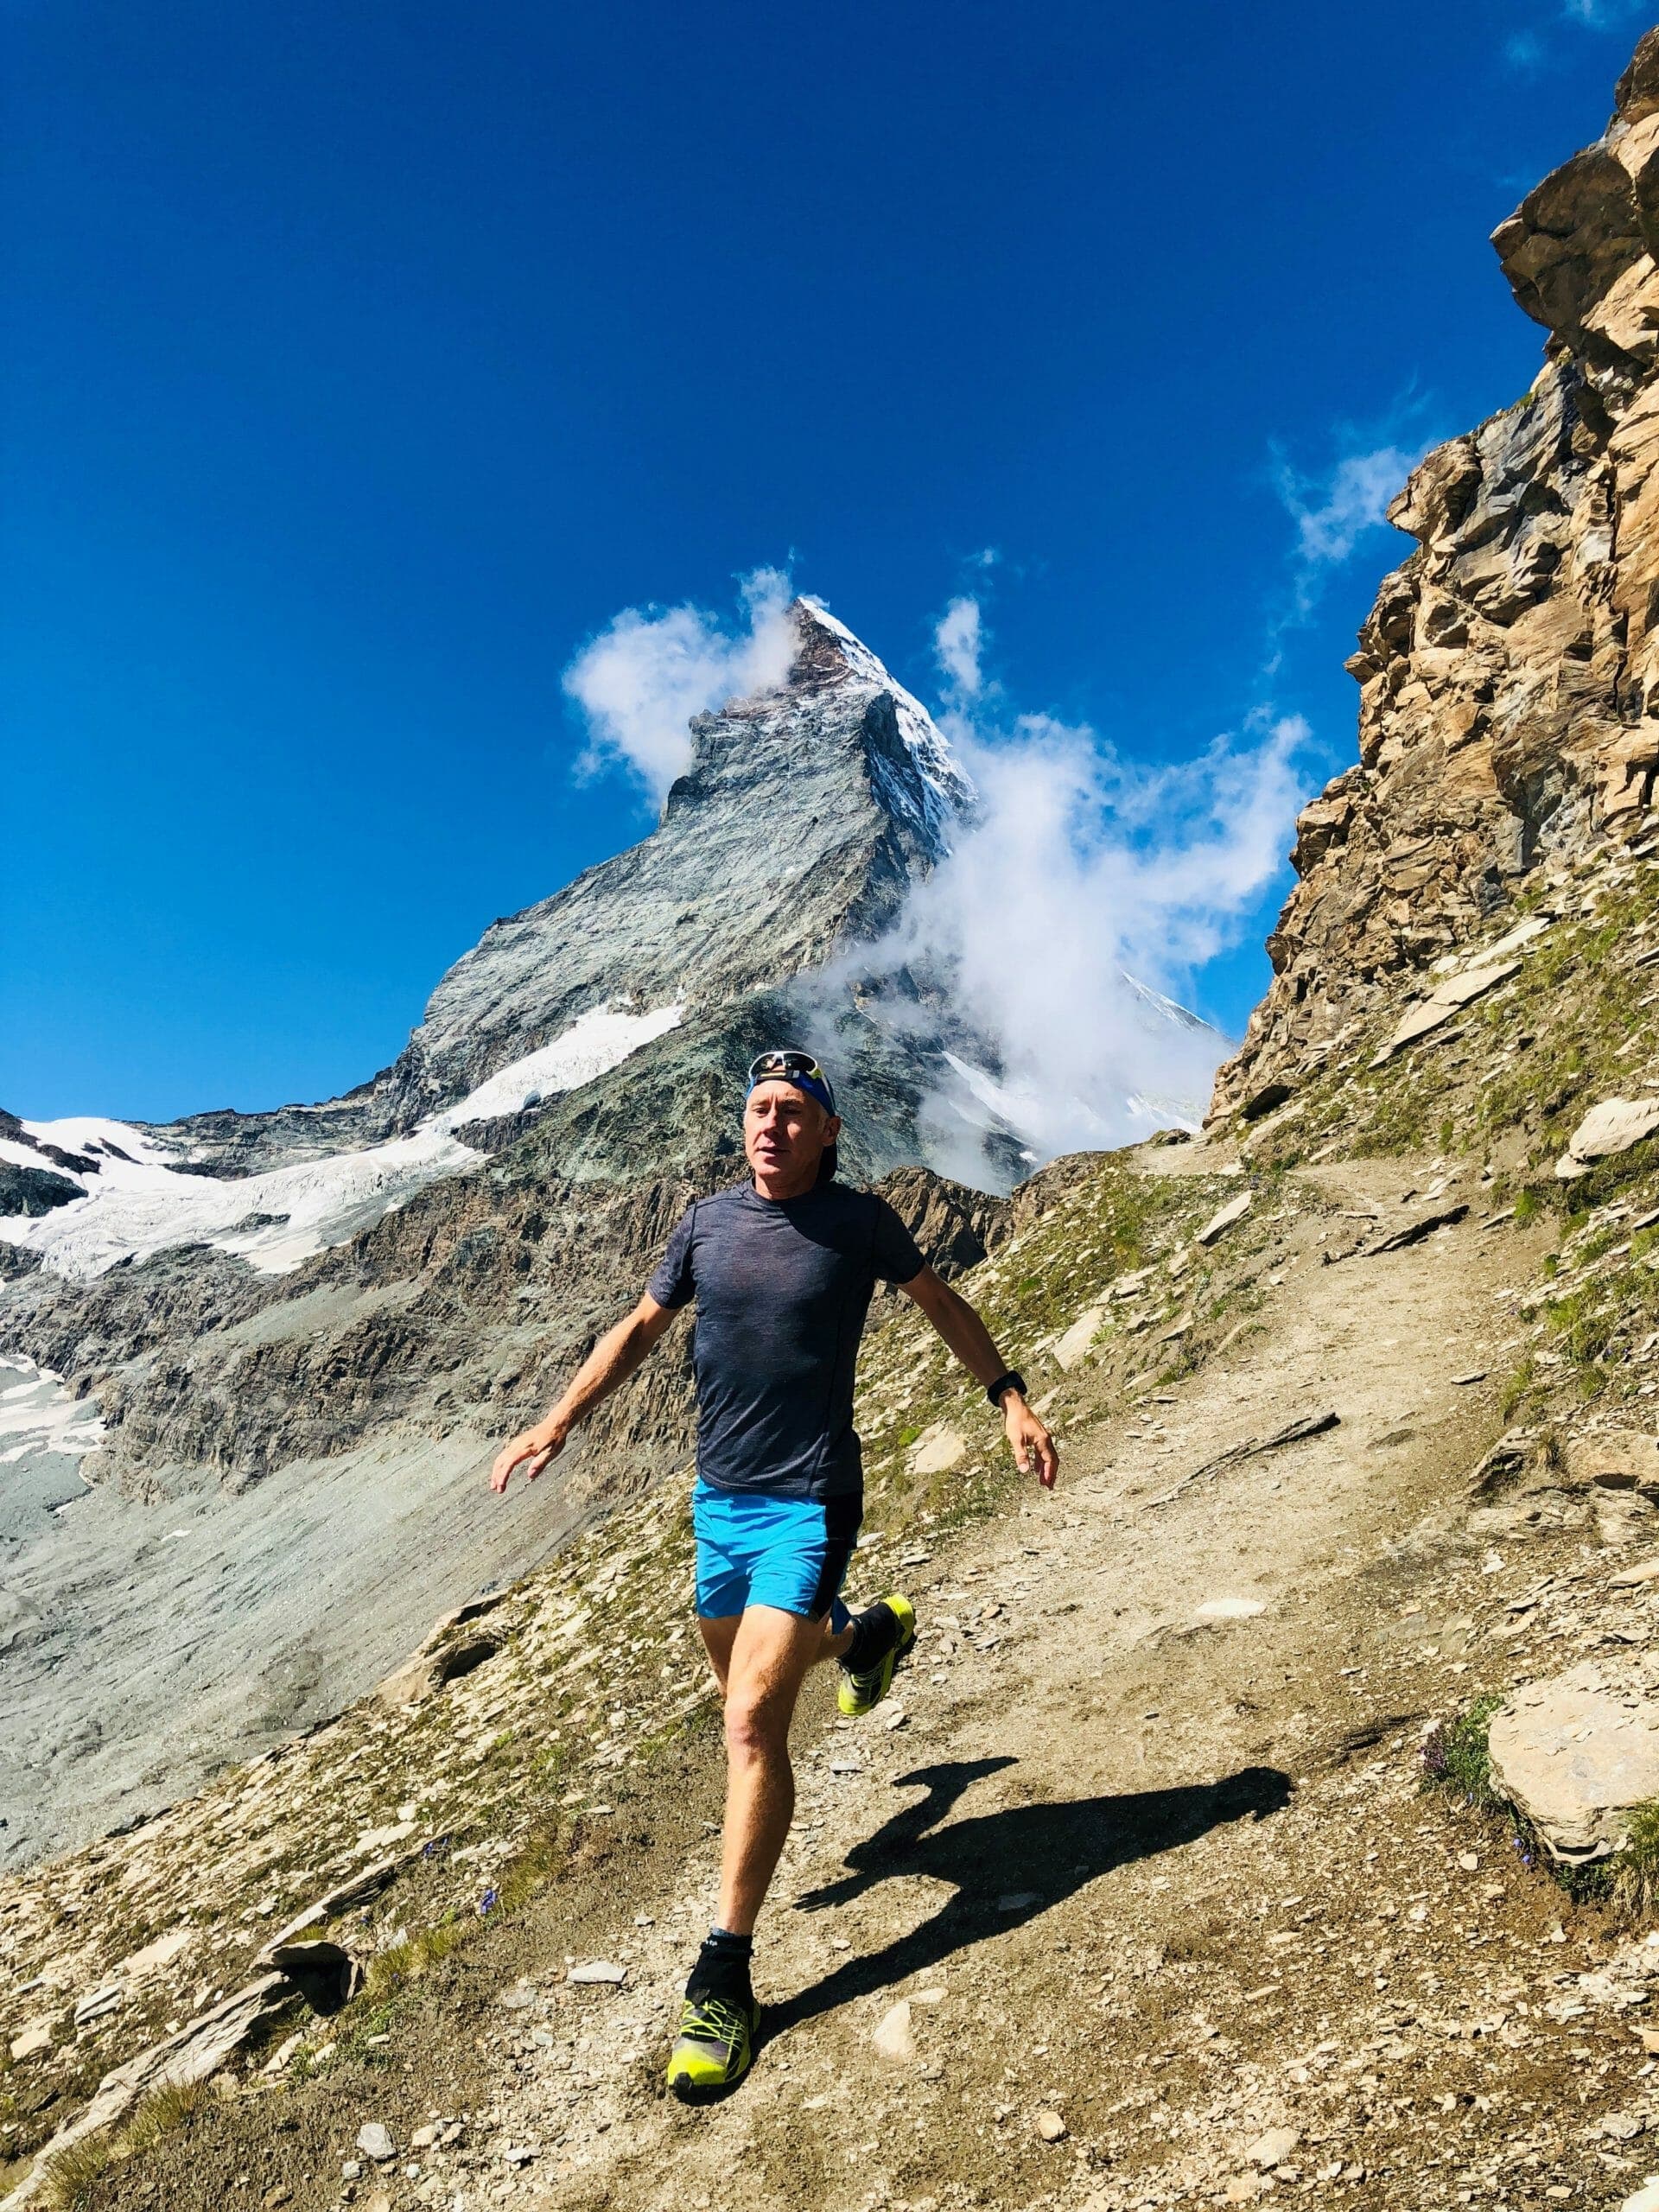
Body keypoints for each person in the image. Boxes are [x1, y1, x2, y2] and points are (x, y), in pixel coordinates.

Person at [489, 1048, 1058, 2099]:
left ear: (829, 1132)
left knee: (751, 1721)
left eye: (795, 1113)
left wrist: (1010, 1398)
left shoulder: (861, 1223)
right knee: (749, 1686)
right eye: (760, 1108)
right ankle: (865, 1636)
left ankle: (725, 1976)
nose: (773, 1126)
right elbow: (641, 1328)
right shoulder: (704, 1222)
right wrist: (558, 1420)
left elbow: (941, 1304)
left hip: (811, 1501)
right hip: (720, 1505)